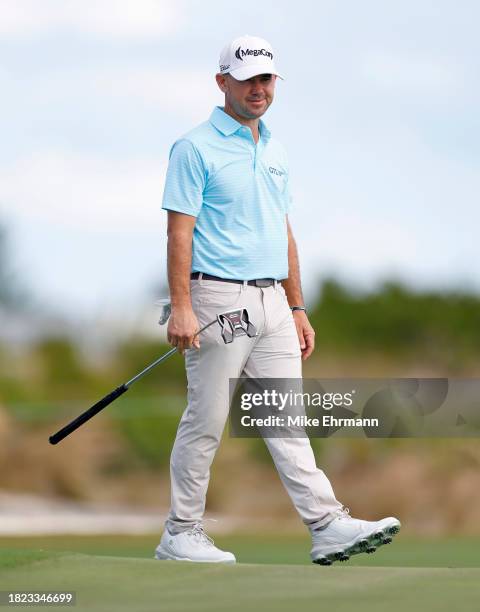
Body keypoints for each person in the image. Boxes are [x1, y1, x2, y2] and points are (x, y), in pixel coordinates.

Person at [155, 34, 400, 565]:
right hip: (217, 297)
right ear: (223, 82)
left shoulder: (275, 148)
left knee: (285, 418)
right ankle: (181, 532)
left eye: (266, 79)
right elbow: (179, 232)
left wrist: (297, 305)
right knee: (208, 418)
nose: (258, 88)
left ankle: (327, 525)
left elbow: (281, 230)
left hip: (274, 304)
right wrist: (180, 306)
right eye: (247, 79)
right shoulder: (193, 147)